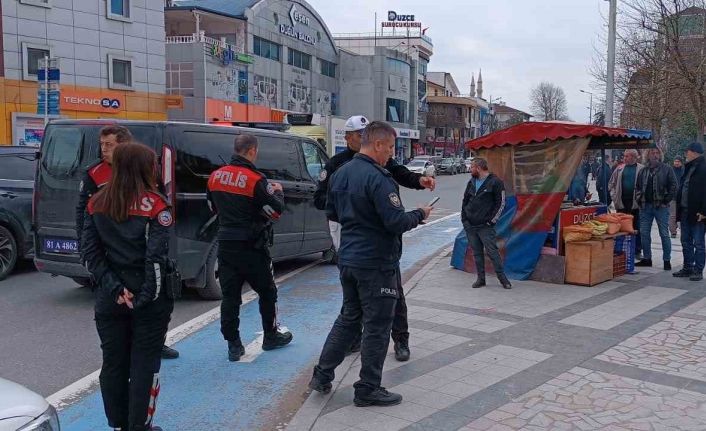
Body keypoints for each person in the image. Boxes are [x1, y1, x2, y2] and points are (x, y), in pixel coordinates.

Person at [308, 121, 432, 407]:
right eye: (389, 148)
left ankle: (322, 374)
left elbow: (332, 211)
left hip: (349, 258)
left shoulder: (341, 173)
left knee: (349, 319)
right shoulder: (379, 178)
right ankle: (368, 388)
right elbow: (395, 222)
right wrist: (420, 213)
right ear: (377, 144)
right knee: (377, 324)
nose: (390, 154)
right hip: (376, 263)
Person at [82, 143, 175, 431]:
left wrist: (115, 288)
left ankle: (119, 423)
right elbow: (156, 259)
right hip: (148, 297)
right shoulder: (157, 205)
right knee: (145, 364)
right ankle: (139, 425)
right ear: (144, 168)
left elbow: (90, 253)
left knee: (113, 363)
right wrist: (146, 297)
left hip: (111, 296)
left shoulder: (96, 202)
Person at [76, 125, 179, 361]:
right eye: (102, 144)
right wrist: (85, 244)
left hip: (143, 246)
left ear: (124, 146)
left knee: (158, 298)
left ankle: (156, 342)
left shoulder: (144, 167)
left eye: (109, 144)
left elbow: (158, 199)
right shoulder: (95, 173)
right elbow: (84, 210)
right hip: (110, 250)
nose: (104, 149)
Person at [207, 134, 293, 362]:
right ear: (252, 151)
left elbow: (212, 207)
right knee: (267, 291)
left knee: (230, 297)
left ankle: (233, 345)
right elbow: (275, 212)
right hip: (252, 246)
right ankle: (270, 336)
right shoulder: (255, 180)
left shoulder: (215, 176)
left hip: (225, 244)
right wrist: (278, 192)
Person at [462, 158, 512, 289]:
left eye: (472, 167)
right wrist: (464, 220)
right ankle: (481, 279)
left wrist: (491, 221)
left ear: (478, 168)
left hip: (485, 226)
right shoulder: (471, 182)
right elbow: (465, 201)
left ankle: (503, 279)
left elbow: (500, 203)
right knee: (476, 253)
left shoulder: (495, 182)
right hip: (470, 225)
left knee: (492, 252)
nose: (470, 169)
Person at [634, 148, 677, 270]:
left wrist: (666, 201)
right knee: (644, 233)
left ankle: (667, 260)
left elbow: (674, 186)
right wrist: (639, 199)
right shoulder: (643, 170)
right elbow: (637, 187)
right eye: (652, 153)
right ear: (647, 155)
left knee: (664, 234)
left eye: (657, 153)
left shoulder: (667, 169)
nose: (655, 155)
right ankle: (647, 258)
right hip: (645, 206)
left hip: (661, 207)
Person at [673, 142, 706, 282]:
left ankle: (698, 270)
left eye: (688, 151)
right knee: (685, 241)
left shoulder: (703, 167)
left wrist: (704, 211)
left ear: (695, 152)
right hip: (685, 210)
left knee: (698, 243)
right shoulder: (689, 167)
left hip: (698, 213)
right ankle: (688, 267)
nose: (686, 154)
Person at [609, 149, 644, 259]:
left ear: (634, 157)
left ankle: (637, 250)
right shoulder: (619, 168)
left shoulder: (641, 169)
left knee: (636, 226)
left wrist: (640, 197)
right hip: (621, 203)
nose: (624, 158)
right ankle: (619, 249)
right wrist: (614, 196)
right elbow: (611, 183)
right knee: (620, 226)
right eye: (624, 156)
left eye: (627, 156)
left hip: (635, 204)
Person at [669, 157, 685, 238]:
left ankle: (684, 231)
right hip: (673, 197)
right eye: (675, 161)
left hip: (683, 197)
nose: (676, 163)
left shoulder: (684, 171)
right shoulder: (670, 171)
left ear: (681, 162)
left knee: (683, 214)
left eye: (678, 161)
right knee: (672, 215)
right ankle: (673, 231)